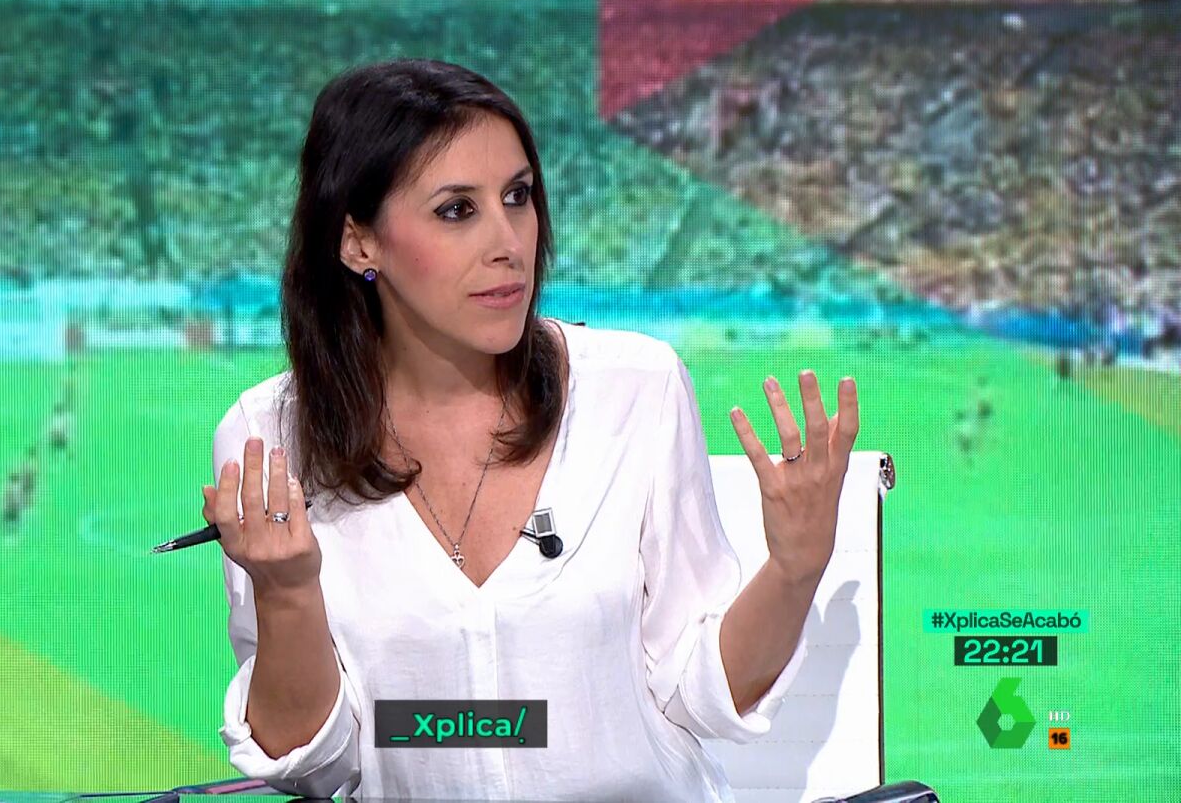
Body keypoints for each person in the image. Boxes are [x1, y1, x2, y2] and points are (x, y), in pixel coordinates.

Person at [198, 58, 860, 802]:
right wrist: (286, 590)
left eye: (518, 196)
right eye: (457, 210)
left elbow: (700, 693)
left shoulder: (636, 388)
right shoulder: (267, 439)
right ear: (359, 243)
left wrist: (796, 567)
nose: (508, 242)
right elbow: (317, 766)